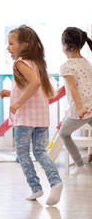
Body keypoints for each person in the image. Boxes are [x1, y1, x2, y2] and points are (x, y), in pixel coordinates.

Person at [0, 25, 63, 205]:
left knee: (22, 152)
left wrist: (18, 102)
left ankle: (36, 186)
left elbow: (33, 84)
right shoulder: (37, 63)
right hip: (40, 117)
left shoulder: (20, 63)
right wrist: (11, 94)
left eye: (11, 44)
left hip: (26, 118)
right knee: (40, 152)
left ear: (24, 45)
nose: (8, 48)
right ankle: (54, 183)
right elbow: (32, 89)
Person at [58, 27, 92, 176]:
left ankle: (79, 164)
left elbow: (73, 87)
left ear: (65, 46)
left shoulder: (67, 66)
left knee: (64, 133)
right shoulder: (86, 62)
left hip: (83, 108)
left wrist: (79, 108)